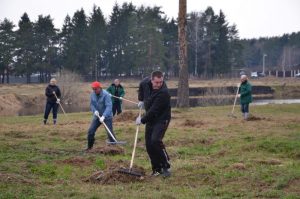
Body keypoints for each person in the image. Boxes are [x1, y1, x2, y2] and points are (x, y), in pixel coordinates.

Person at [136, 71, 171, 177]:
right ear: (151, 80)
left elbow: (153, 111)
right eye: (156, 82)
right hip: (151, 120)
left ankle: (166, 166)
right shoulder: (145, 83)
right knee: (149, 145)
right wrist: (141, 100)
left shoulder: (164, 93)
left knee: (155, 140)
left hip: (161, 119)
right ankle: (156, 169)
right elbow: (141, 87)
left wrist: (142, 120)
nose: (158, 84)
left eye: (161, 82)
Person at [86, 81, 118, 151]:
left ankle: (114, 146)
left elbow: (109, 106)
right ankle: (89, 147)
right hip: (97, 116)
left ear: (100, 88)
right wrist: (95, 111)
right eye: (93, 89)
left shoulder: (106, 95)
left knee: (109, 131)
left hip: (107, 116)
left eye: (96, 89)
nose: (94, 90)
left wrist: (104, 116)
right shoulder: (92, 95)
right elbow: (92, 105)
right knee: (91, 131)